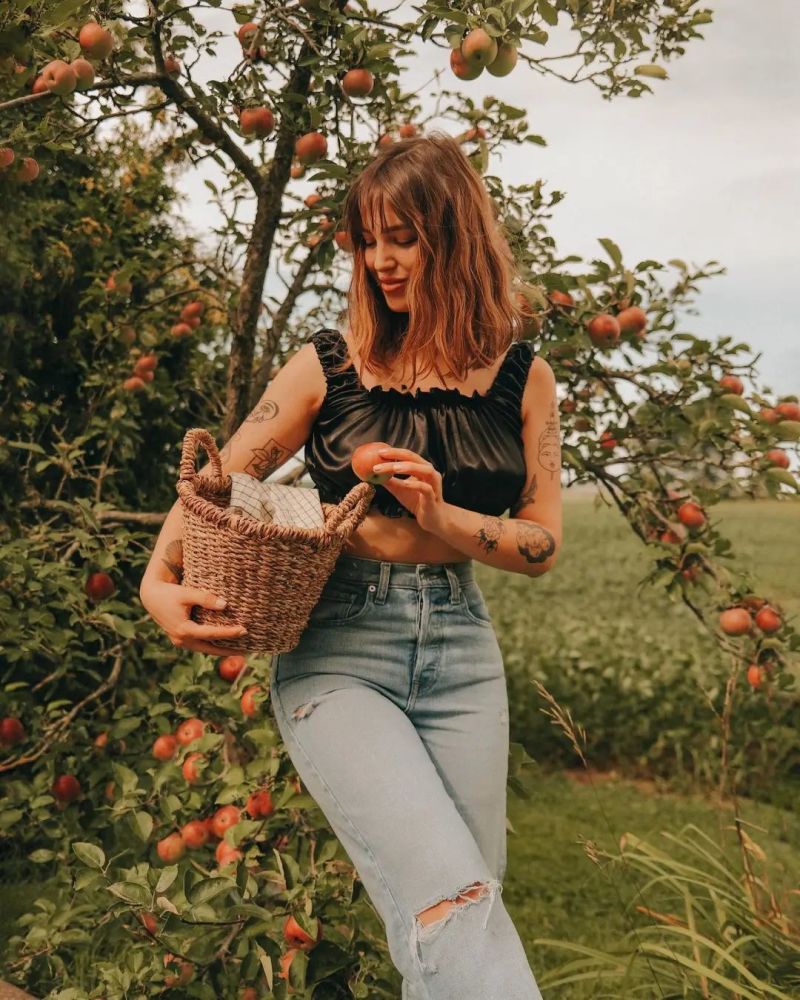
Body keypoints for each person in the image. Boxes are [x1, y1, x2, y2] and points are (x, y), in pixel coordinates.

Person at [139, 131, 561, 999]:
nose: (380, 261)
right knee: (455, 905)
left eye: (401, 237)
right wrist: (156, 581)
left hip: (463, 656)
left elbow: (541, 544)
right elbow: (216, 482)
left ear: (454, 236)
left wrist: (441, 513)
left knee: (445, 928)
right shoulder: (329, 366)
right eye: (368, 241)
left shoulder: (526, 380)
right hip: (341, 649)